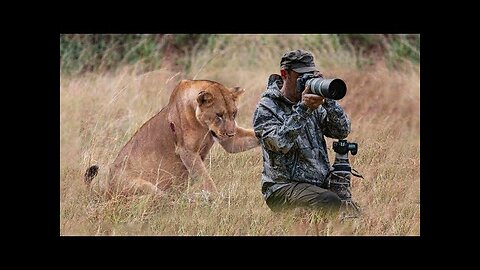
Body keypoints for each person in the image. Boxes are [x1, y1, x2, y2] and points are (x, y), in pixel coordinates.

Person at [252, 49, 352, 212]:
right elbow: (280, 143)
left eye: (310, 76)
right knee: (329, 201)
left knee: (351, 212)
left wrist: (328, 100)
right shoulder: (267, 107)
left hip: (317, 186)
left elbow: (342, 131)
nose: (306, 81)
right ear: (285, 74)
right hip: (282, 188)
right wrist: (304, 109)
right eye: (301, 76)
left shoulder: (313, 104)